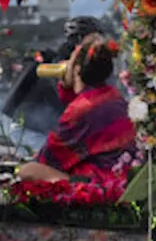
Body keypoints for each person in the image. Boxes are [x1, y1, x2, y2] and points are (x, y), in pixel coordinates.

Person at [16, 36, 137, 182]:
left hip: (100, 182)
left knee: (28, 170)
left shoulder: (82, 108)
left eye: (70, 61)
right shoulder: (114, 96)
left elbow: (50, 159)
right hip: (120, 176)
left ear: (77, 69)